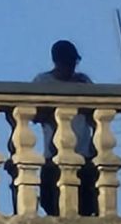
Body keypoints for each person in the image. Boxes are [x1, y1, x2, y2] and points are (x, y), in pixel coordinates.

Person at [32, 40, 95, 213]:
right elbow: (33, 113)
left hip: (83, 154)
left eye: (73, 63)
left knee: (87, 205)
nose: (71, 67)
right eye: (67, 63)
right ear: (57, 62)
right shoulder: (43, 82)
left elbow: (95, 115)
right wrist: (52, 119)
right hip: (54, 154)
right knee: (52, 203)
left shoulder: (83, 82)